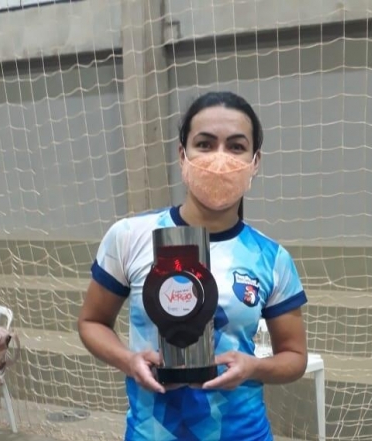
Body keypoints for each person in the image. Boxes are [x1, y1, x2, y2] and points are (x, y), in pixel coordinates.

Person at [78, 91, 308, 441]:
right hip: (153, 431)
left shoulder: (271, 257)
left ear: (255, 160)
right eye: (205, 144)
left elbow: (294, 357)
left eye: (235, 146)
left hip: (242, 432)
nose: (219, 158)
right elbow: (92, 322)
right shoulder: (129, 236)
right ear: (183, 154)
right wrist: (129, 360)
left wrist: (253, 367)